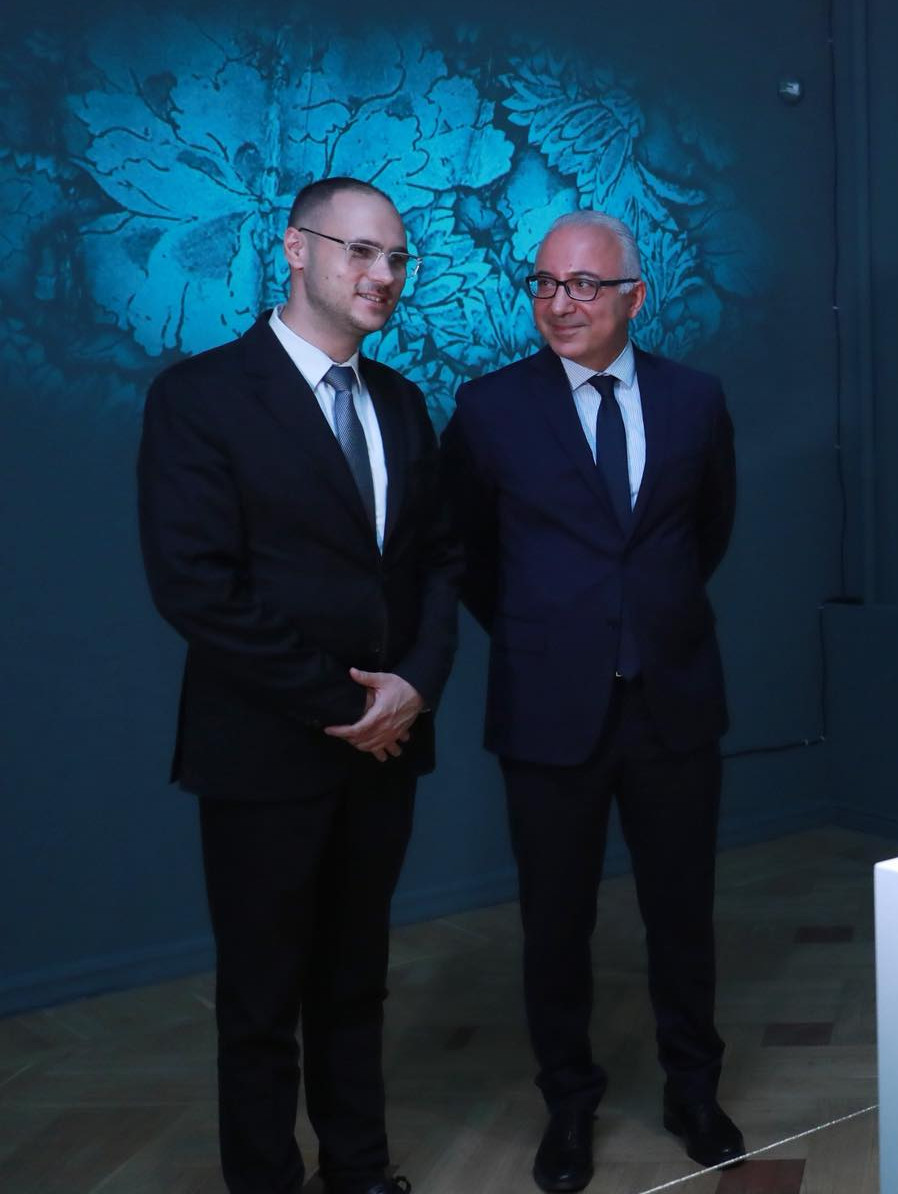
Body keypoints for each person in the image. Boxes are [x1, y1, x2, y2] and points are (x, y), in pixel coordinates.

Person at [136, 177, 458, 1194]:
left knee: (356, 980)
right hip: (265, 752)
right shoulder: (200, 397)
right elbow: (196, 587)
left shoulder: (402, 403)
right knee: (262, 1000)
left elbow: (437, 565)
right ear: (296, 250)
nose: (382, 274)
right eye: (360, 251)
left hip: (388, 747)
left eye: (397, 257)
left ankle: (357, 1169)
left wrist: (413, 685)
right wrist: (345, 705)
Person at [440, 211, 742, 1192]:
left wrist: (643, 622)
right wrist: (554, 631)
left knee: (682, 915)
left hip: (672, 702)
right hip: (548, 709)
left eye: (583, 285)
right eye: (543, 283)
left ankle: (694, 1091)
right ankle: (569, 1107)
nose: (559, 304)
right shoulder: (489, 409)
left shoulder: (695, 401)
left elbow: (705, 532)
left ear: (634, 297)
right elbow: (467, 555)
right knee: (555, 925)